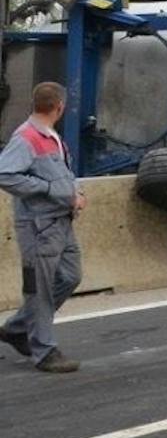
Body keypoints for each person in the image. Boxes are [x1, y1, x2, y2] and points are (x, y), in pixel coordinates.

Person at [0, 81, 85, 372]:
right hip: (39, 226)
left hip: (61, 221)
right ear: (59, 107)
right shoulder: (26, 138)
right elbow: (4, 174)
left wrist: (73, 194)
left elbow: (60, 173)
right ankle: (44, 351)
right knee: (39, 288)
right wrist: (50, 189)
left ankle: (17, 328)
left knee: (71, 276)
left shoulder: (51, 137)